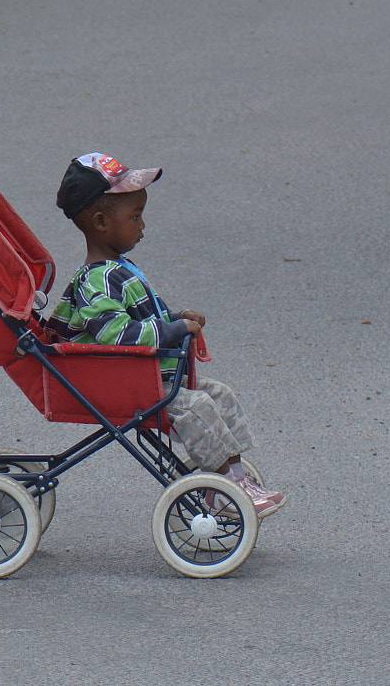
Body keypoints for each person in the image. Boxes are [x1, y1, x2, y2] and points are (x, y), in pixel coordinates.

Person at [51, 152, 287, 516]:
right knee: (198, 406)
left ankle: (233, 476)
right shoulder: (97, 280)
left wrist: (176, 316)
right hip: (126, 385)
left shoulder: (118, 269)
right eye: (134, 217)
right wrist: (174, 329)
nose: (142, 225)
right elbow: (117, 334)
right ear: (100, 222)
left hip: (150, 378)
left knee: (219, 395)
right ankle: (223, 488)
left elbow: (142, 317)